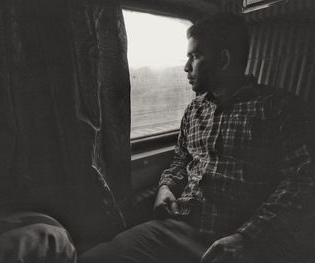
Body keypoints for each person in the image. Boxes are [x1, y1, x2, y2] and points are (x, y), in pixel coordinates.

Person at [80, 14, 313, 263]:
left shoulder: (279, 109)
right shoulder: (194, 110)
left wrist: (247, 238)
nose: (186, 67)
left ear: (223, 60)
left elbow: (302, 182)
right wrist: (165, 186)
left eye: (195, 56)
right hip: (178, 228)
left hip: (240, 239)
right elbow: (181, 159)